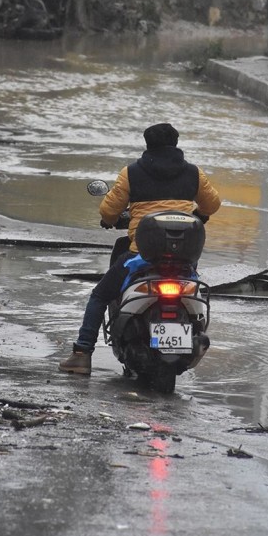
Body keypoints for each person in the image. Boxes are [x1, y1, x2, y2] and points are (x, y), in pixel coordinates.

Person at [59, 123, 221, 375]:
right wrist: (199, 214)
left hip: (140, 256)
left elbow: (108, 211)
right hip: (183, 261)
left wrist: (111, 221)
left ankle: (81, 354)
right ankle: (194, 337)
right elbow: (212, 204)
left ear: (147, 145)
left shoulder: (131, 173)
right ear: (176, 144)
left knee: (100, 296)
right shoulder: (194, 173)